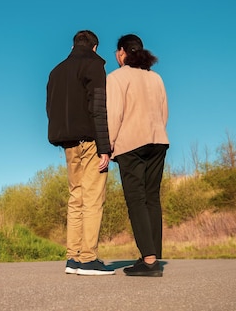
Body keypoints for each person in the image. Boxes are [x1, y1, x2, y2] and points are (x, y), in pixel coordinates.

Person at [46, 30, 114, 276]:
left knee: (75, 199)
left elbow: (49, 108)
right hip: (91, 141)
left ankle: (72, 258)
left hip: (68, 143)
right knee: (93, 198)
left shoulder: (56, 71)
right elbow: (98, 106)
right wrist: (105, 147)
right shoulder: (94, 65)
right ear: (94, 47)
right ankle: (88, 259)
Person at [106, 33, 169, 277]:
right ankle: (150, 256)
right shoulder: (156, 78)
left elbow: (114, 114)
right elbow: (164, 112)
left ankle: (150, 261)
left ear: (122, 52)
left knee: (136, 200)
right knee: (152, 197)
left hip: (131, 143)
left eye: (117, 53)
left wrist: (109, 146)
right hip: (158, 141)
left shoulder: (117, 77)